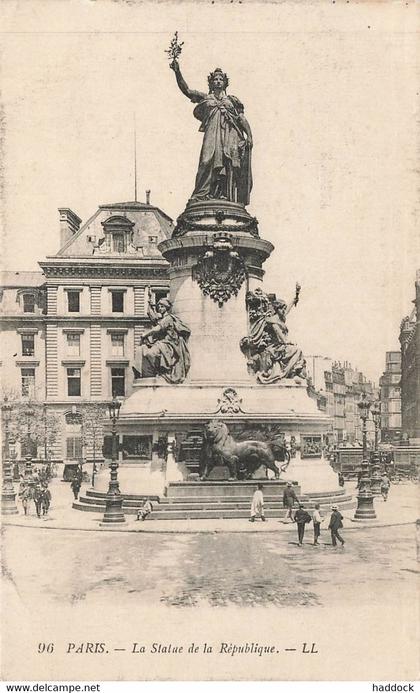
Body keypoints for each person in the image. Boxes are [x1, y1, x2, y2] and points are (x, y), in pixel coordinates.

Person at [170, 59, 253, 204]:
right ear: (211, 82)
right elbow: (187, 90)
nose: (218, 81)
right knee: (206, 160)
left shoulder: (232, 100)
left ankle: (223, 195)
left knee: (227, 164)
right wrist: (177, 71)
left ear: (225, 83)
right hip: (212, 134)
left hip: (229, 136)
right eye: (215, 79)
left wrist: (249, 135)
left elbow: (241, 118)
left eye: (221, 79)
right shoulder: (205, 97)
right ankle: (202, 194)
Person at [133, 298, 191, 384]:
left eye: (162, 306)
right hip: (161, 342)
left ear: (166, 308)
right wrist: (150, 306)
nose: (160, 308)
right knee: (142, 350)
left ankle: (163, 371)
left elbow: (157, 328)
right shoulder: (161, 319)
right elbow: (153, 317)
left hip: (170, 343)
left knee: (150, 353)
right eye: (159, 306)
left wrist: (145, 334)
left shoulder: (168, 318)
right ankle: (151, 372)